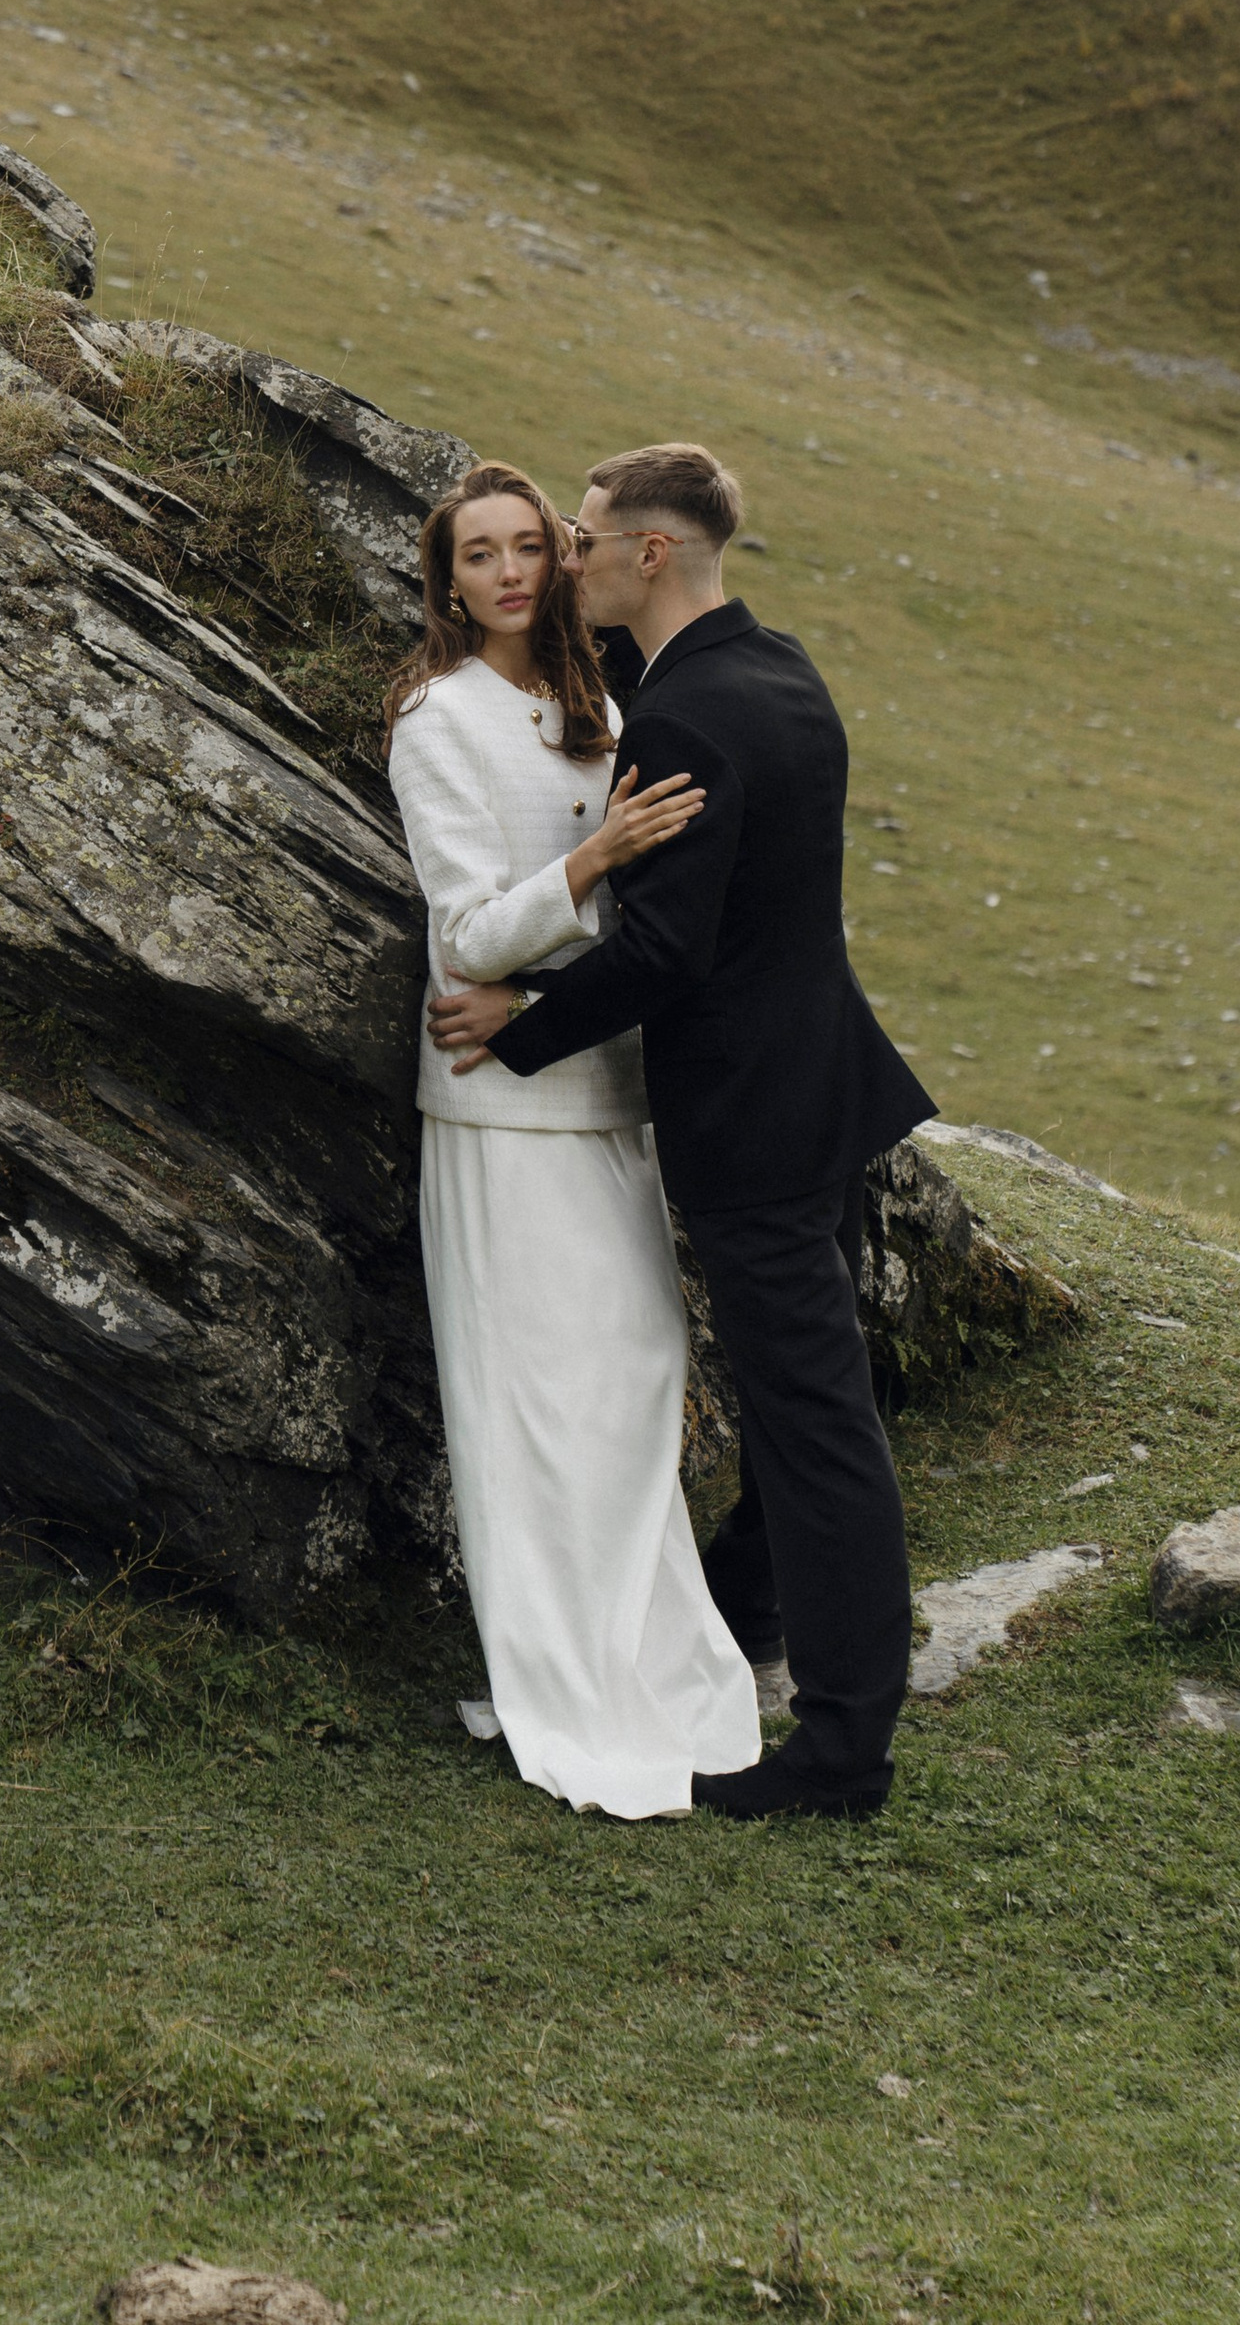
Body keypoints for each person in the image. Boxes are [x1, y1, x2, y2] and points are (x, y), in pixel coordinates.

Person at [428, 442, 935, 1822]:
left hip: (755, 1127)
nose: (563, 559)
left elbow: (665, 957)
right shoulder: (781, 674)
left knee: (813, 1427)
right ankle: (752, 1612)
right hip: (832, 1089)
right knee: (824, 1414)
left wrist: (511, 1030)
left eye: (583, 540)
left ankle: (842, 1752)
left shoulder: (686, 722)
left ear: (651, 553)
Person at [384, 462, 764, 1819]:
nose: (505, 572)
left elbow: (646, 938)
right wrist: (593, 860)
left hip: (612, 1091)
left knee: (635, 1375)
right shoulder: (437, 718)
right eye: (474, 555)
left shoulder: (606, 707)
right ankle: (559, 1680)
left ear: (560, 559)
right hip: (499, 1107)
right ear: (447, 583)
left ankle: (645, 1665)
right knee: (536, 1408)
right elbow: (467, 938)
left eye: (525, 547)